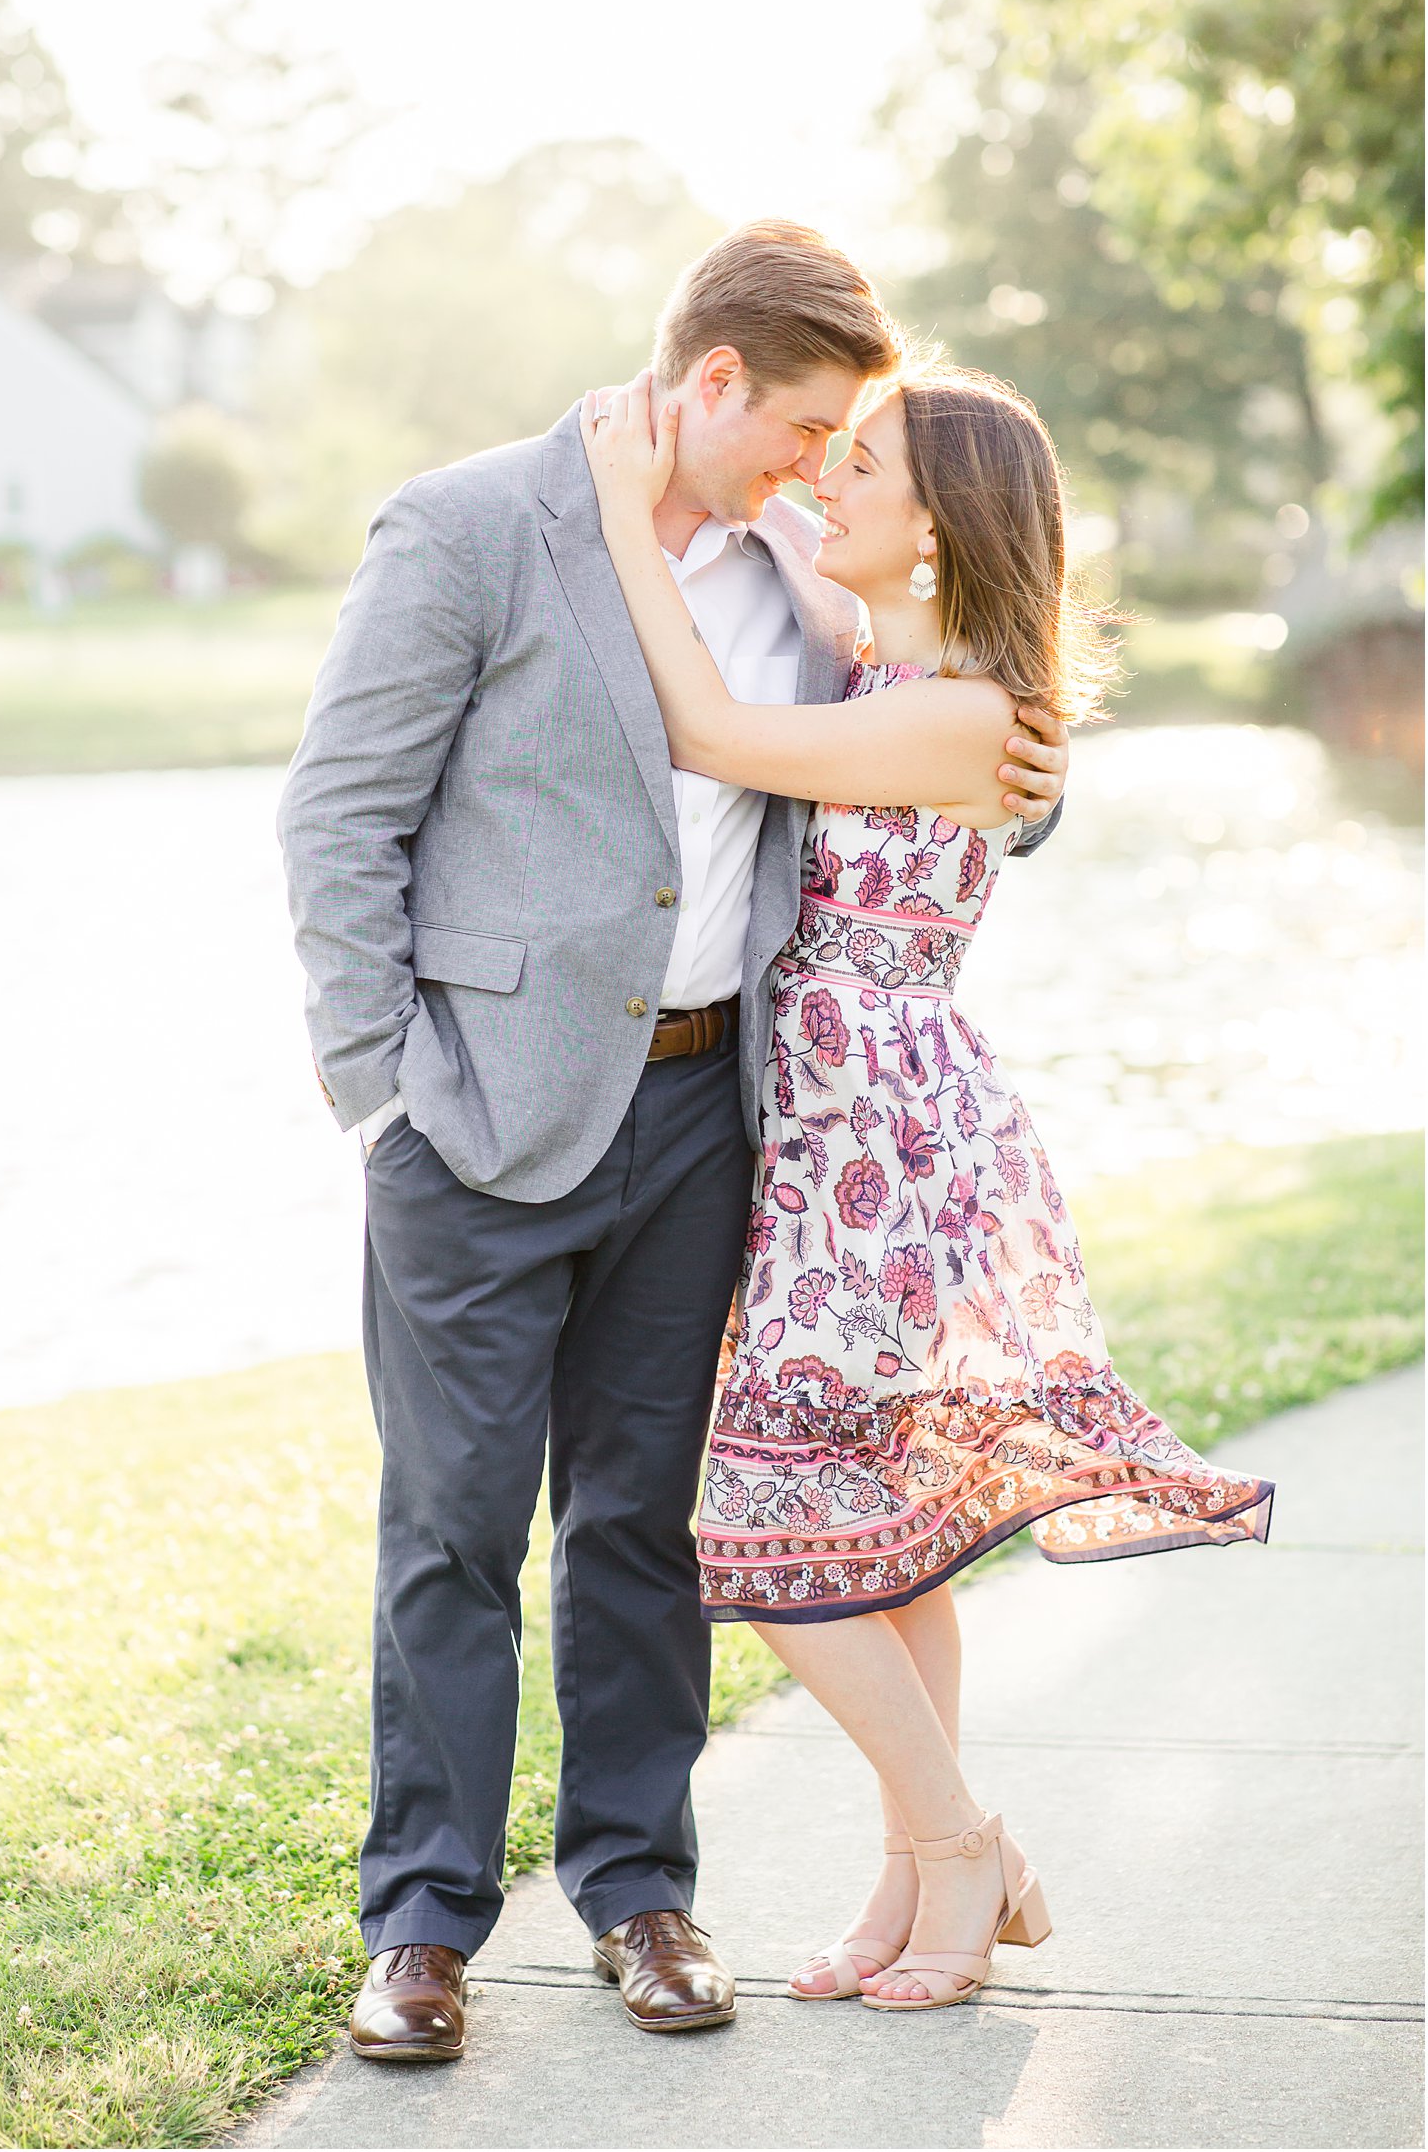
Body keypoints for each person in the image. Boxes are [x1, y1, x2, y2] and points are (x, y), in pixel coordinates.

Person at [276, 223, 1069, 2061]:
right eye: (798, 430)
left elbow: (957, 711)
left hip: (721, 1115)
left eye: (833, 445)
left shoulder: (803, 568)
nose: (814, 467)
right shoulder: (472, 526)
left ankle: (642, 1895)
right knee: (453, 1529)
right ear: (711, 384)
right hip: (473, 1117)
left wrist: (1036, 782)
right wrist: (381, 1093)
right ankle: (423, 1927)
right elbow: (340, 818)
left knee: (641, 1526)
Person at [580, 363, 1274, 2016]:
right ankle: (917, 1873)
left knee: (753, 1527)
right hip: (832, 1129)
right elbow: (763, 532)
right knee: (889, 1535)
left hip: (888, 1145)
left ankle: (965, 1847)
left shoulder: (959, 707)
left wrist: (613, 510)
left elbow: (711, 728)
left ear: (943, 524)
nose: (828, 480)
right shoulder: (897, 652)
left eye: (865, 465)